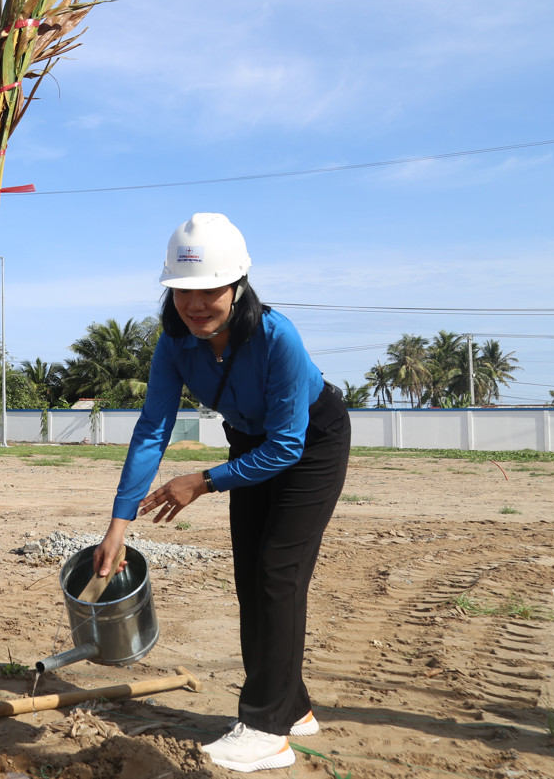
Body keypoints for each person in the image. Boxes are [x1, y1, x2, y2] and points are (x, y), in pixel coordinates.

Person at [94, 213, 349, 774]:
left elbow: (286, 446)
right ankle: (294, 706)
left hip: (310, 443)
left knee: (278, 575)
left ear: (237, 286)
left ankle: (264, 729)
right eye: (184, 291)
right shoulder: (176, 344)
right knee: (249, 581)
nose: (196, 303)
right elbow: (153, 428)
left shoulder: (277, 337)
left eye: (210, 289)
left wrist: (203, 481)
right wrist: (119, 523)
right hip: (248, 444)